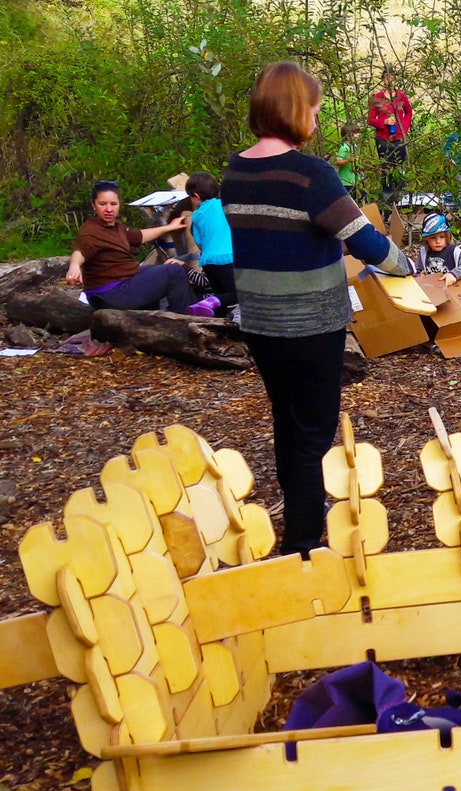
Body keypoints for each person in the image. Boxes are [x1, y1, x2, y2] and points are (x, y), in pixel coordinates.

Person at [222, 61, 413, 557]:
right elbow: (365, 240)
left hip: (260, 324)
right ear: (293, 109)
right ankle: (302, 547)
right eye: (314, 109)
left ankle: (297, 530)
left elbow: (280, 236)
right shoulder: (311, 174)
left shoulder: (236, 170)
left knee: (287, 423)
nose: (316, 118)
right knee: (312, 436)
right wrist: (404, 264)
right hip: (311, 325)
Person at [65, 181, 215, 316]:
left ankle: (162, 317)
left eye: (113, 204)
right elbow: (81, 250)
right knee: (174, 271)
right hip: (111, 293)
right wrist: (74, 266)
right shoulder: (91, 231)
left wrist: (168, 227)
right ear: (94, 205)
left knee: (160, 269)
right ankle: (186, 319)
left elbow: (139, 236)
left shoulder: (116, 228)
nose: (109, 209)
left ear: (119, 204)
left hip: (123, 283)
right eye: (103, 204)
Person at [184, 172, 236, 313]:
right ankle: (208, 302)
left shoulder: (196, 215)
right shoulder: (225, 206)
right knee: (236, 294)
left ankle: (213, 315)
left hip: (207, 262)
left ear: (196, 196)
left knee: (220, 296)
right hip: (227, 259)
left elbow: (199, 242)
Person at [368, 86, 413, 200]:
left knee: (399, 167)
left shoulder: (402, 96)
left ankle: (400, 196)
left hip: (399, 138)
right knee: (386, 167)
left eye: (392, 78)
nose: (389, 81)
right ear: (383, 80)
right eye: (387, 78)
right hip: (383, 138)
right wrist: (384, 122)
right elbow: (371, 119)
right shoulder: (377, 97)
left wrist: (404, 128)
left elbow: (408, 112)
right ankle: (387, 195)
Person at [415, 212, 461, 285]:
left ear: (447, 236)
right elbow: (418, 271)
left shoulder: (454, 252)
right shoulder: (424, 252)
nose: (438, 241)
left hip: (452, 288)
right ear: (426, 238)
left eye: (442, 237)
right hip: (431, 288)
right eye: (433, 238)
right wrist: (420, 277)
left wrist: (454, 274)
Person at [333, 122, 362, 200]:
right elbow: (338, 162)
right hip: (346, 181)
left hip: (356, 179)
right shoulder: (344, 148)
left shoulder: (355, 146)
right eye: (356, 133)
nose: (358, 135)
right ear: (348, 135)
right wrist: (348, 160)